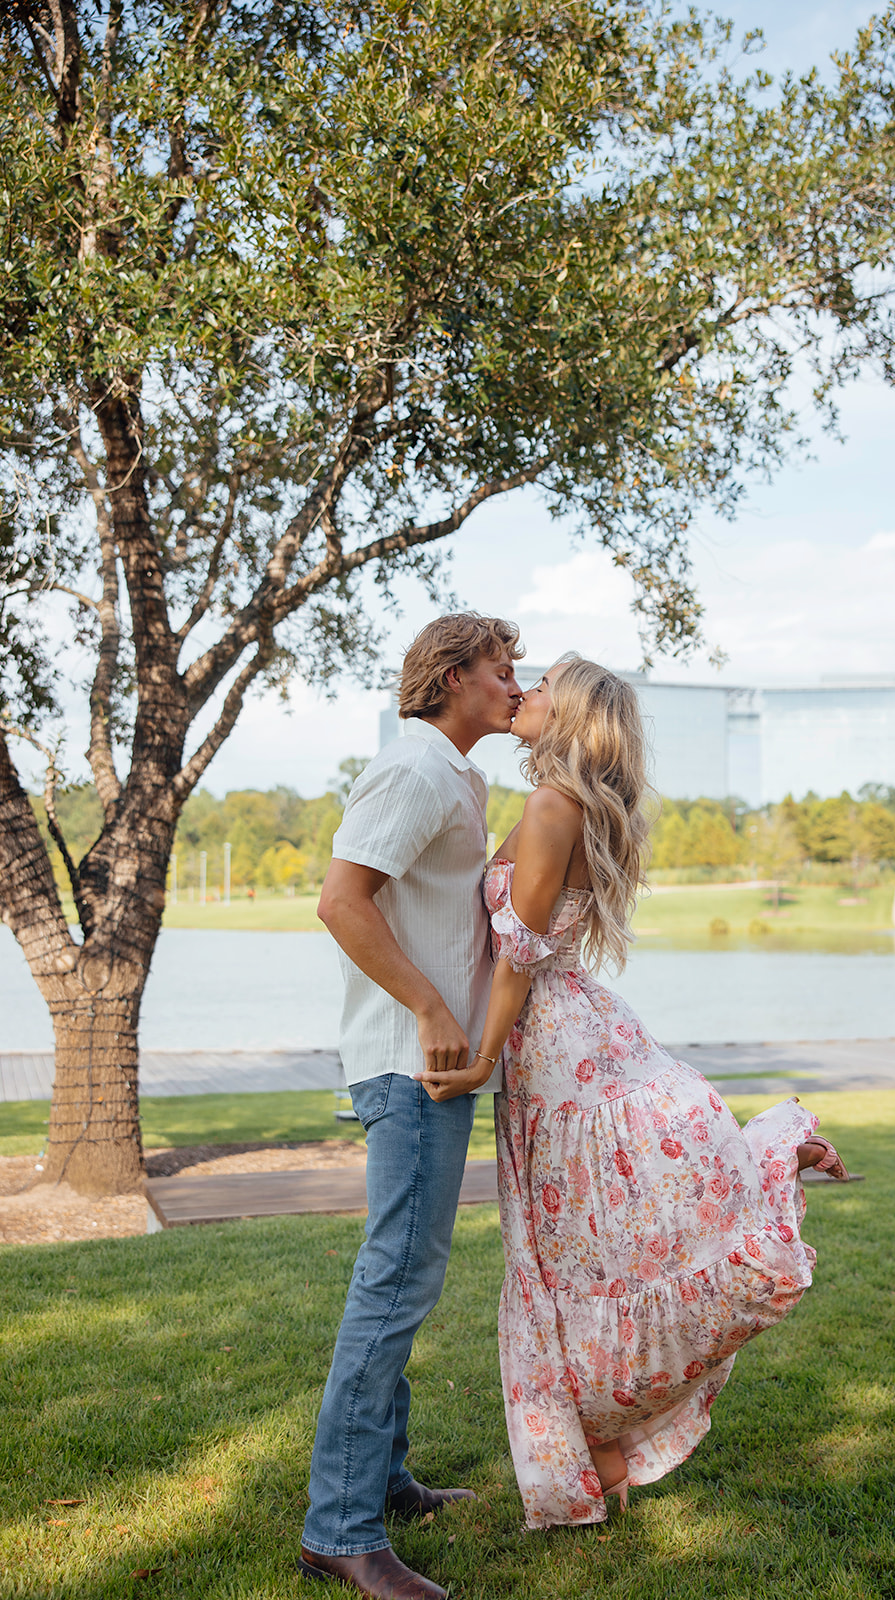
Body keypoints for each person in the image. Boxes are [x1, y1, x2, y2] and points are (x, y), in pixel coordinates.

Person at [417, 656, 849, 1529]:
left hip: (556, 1047)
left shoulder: (550, 805)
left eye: (539, 686)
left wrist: (479, 1060)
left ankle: (762, 1169)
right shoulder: (569, 802)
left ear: (569, 714)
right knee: (588, 1257)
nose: (523, 692)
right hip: (574, 1038)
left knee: (575, 1257)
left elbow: (519, 956)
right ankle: (603, 1447)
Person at [299, 613, 524, 1597]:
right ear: (448, 677)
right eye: (500, 667)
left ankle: (382, 1484)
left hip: (437, 1063)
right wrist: (432, 1008)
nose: (514, 682)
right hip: (408, 1061)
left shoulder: (461, 777)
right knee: (394, 1283)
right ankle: (339, 1531)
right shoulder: (412, 770)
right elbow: (340, 900)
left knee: (407, 1279)